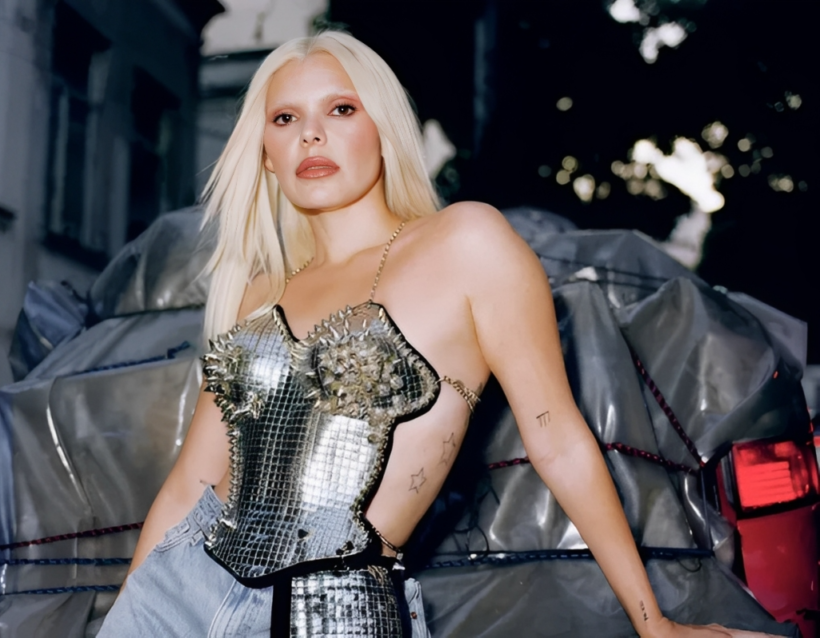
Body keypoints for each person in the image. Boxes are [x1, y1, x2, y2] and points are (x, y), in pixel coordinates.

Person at [98, 31, 774, 638]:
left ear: (385, 132)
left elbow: (558, 439)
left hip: (344, 611)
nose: (311, 136)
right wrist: (129, 614)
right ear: (267, 155)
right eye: (285, 119)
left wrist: (653, 623)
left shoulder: (466, 243)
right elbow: (191, 481)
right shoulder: (259, 290)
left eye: (341, 109)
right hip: (183, 596)